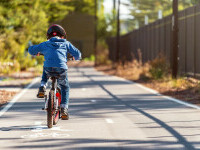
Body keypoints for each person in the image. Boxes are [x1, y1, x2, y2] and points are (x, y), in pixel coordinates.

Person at [28, 24, 81, 120]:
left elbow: (31, 50)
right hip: (61, 69)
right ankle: (64, 109)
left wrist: (36, 52)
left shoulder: (45, 44)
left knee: (46, 67)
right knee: (65, 87)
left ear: (49, 36)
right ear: (62, 35)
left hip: (48, 68)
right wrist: (75, 58)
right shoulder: (66, 43)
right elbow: (77, 54)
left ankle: (42, 86)